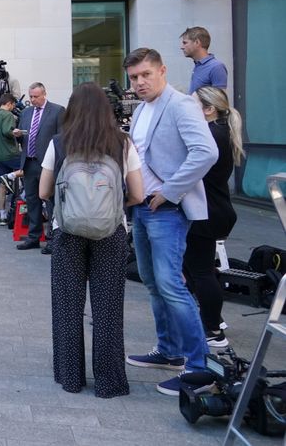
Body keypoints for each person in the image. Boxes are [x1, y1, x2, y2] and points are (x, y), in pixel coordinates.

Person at [122, 47, 219, 396]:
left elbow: (206, 152)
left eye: (146, 74)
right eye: (134, 77)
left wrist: (171, 191)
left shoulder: (180, 104)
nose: (140, 82)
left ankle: (200, 368)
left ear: (162, 70)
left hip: (167, 209)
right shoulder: (142, 110)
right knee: (152, 280)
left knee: (171, 284)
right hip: (143, 208)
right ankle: (169, 351)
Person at [39, 82, 145, 398]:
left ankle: (70, 377)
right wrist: (109, 207)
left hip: (67, 232)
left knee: (67, 306)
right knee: (108, 309)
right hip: (111, 234)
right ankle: (110, 382)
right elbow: (138, 194)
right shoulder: (123, 143)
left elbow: (44, 191)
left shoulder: (59, 143)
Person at [184, 86, 244, 349]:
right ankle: (213, 320)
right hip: (213, 210)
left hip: (207, 212)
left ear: (208, 109)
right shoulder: (220, 131)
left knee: (200, 271)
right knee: (196, 269)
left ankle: (213, 330)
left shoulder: (211, 134)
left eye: (193, 105)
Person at [14, 83, 65, 250]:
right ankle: (33, 237)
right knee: (32, 201)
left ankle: (52, 238)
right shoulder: (26, 113)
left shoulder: (57, 111)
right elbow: (24, 139)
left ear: (44, 94)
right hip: (29, 162)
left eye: (36, 96)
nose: (33, 99)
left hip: (48, 164)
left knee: (50, 201)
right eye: (31, 96)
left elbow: (61, 139)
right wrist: (18, 136)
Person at [0, 94, 21, 225]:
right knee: (28, 170)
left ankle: (2, 215)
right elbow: (7, 130)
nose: (14, 107)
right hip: (11, 154)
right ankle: (16, 210)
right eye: (13, 105)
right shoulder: (8, 115)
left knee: (2, 184)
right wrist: (16, 132)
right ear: (9, 103)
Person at [180, 26, 228, 93]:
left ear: (197, 42)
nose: (181, 47)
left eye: (185, 43)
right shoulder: (198, 65)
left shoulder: (216, 67)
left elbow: (219, 101)